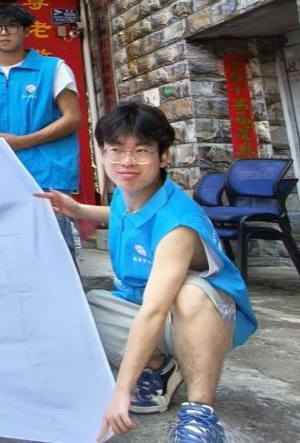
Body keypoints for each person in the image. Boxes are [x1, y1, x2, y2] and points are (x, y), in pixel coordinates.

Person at [37, 104, 256, 443]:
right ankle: (159, 367)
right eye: (116, 150)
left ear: (163, 156)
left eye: (141, 151)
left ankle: (200, 414)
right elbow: (123, 214)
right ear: (102, 153)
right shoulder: (130, 194)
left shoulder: (177, 224)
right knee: (80, 307)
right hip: (152, 313)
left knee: (191, 293)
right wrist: (77, 209)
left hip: (204, 319)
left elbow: (154, 311)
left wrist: (121, 391)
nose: (127, 161)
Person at [0, 3, 82, 253]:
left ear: (26, 31)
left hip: (47, 171)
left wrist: (22, 142)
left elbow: (73, 118)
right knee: (8, 246)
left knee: (55, 246)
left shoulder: (54, 68)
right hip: (1, 172)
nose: (4, 32)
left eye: (11, 26)